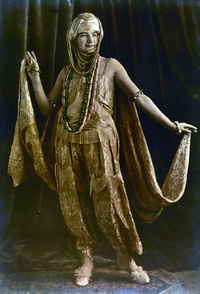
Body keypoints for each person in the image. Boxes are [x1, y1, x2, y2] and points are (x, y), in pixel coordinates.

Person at [24, 13, 196, 286]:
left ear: (100, 36)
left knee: (111, 200)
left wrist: (172, 125)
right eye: (83, 34)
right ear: (73, 37)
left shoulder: (111, 66)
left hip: (102, 143)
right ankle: (86, 257)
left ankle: (125, 257)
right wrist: (34, 78)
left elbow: (139, 97)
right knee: (72, 202)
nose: (90, 40)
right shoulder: (66, 73)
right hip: (66, 143)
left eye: (94, 33)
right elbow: (47, 108)